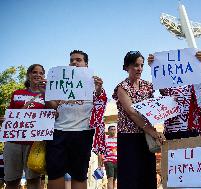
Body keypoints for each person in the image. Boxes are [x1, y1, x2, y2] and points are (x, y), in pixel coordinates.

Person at [46, 50, 107, 189]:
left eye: (78, 60)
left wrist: (98, 89)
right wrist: (47, 92)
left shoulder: (95, 85)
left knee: (79, 174)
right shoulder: (59, 83)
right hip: (58, 131)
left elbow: (100, 106)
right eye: (72, 60)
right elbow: (53, 106)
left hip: (83, 132)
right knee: (55, 173)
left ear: (86, 64)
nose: (74, 62)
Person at [113, 51, 165, 189]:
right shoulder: (122, 88)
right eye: (136, 65)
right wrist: (153, 131)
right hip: (128, 138)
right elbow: (132, 113)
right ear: (126, 67)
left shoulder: (148, 86)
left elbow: (160, 100)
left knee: (147, 175)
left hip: (146, 138)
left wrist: (157, 66)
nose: (140, 68)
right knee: (130, 177)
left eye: (142, 65)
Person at [3, 64, 46, 189]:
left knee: (34, 181)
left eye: (41, 73)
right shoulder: (17, 93)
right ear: (28, 75)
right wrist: (5, 120)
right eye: (34, 72)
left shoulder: (48, 96)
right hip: (13, 142)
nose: (38, 75)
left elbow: (53, 114)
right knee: (11, 182)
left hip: (35, 144)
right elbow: (11, 115)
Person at [147, 51, 201, 140]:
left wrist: (199, 63)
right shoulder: (168, 84)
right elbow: (162, 90)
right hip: (171, 131)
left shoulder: (194, 81)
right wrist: (155, 66)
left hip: (192, 129)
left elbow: (200, 101)